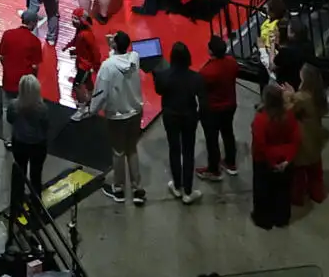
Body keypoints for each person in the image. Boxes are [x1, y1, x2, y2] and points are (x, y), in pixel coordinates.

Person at [73, 29, 146, 205]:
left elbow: (100, 93)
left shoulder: (108, 66)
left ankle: (119, 189)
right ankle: (137, 189)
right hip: (135, 112)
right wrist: (114, 45)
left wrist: (91, 110)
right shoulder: (134, 58)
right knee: (132, 150)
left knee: (118, 152)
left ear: (114, 45)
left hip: (117, 116)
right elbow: (121, 56)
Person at [151, 41, 204, 204]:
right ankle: (188, 191)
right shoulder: (196, 78)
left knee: (174, 149)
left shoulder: (163, 75)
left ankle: (177, 185)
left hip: (170, 116)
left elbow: (159, 91)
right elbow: (203, 100)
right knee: (188, 152)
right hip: (189, 116)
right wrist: (198, 116)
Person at [250, 82, 300, 229]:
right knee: (283, 190)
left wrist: (272, 162)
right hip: (284, 159)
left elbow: (260, 144)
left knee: (263, 190)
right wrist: (287, 160)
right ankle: (281, 218)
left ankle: (263, 219)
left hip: (264, 161)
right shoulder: (289, 116)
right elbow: (296, 139)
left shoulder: (261, 119)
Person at [5, 75, 54, 215]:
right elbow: (46, 126)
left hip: (19, 143)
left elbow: (10, 120)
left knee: (19, 173)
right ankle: (36, 205)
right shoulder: (42, 108)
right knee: (36, 176)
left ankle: (17, 204)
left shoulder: (14, 105)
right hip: (38, 145)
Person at [196, 36, 241, 180]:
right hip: (230, 105)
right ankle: (230, 162)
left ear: (211, 51)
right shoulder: (232, 63)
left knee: (212, 139)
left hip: (212, 110)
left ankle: (214, 169)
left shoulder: (207, 72)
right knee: (228, 133)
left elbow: (199, 89)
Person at [289, 64, 329, 206]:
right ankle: (318, 194)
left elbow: (289, 109)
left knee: (299, 173)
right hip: (315, 135)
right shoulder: (319, 95)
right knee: (315, 171)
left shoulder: (301, 97)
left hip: (303, 138)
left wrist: (289, 94)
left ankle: (298, 198)